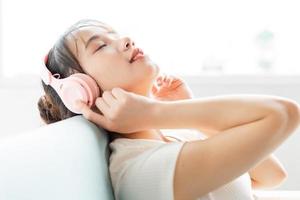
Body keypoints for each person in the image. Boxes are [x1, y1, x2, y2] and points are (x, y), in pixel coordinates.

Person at [37, 19, 300, 200]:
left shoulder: (176, 140)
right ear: (82, 93)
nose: (126, 39)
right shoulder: (138, 170)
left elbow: (270, 175)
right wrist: (156, 113)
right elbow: (283, 114)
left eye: (115, 34)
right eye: (101, 45)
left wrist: (182, 108)